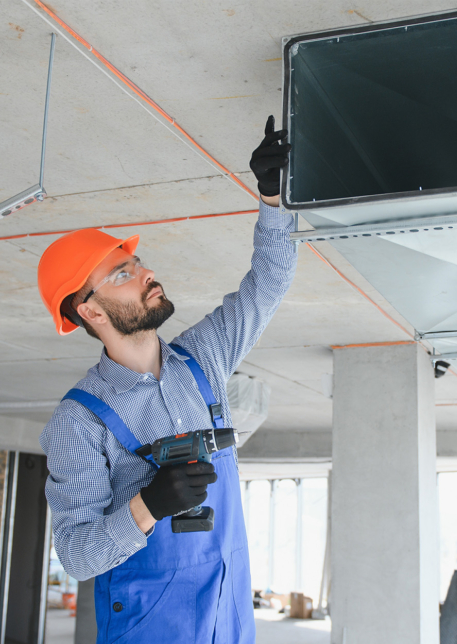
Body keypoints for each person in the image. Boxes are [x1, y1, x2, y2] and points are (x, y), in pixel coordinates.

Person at [36, 116, 294, 643]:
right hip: (154, 626)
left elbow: (267, 284)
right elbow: (79, 556)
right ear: (91, 312)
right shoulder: (79, 420)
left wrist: (271, 197)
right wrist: (147, 505)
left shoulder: (203, 359)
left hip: (229, 610)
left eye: (139, 262)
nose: (147, 273)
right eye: (123, 273)